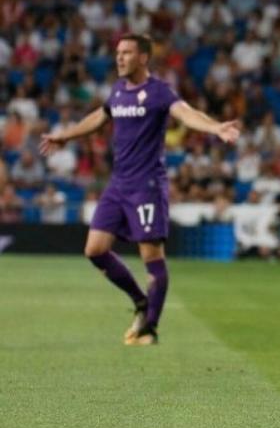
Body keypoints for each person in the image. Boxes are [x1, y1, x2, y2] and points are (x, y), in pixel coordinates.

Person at [39, 34, 240, 345]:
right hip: (118, 184)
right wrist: (66, 136)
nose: (119, 58)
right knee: (94, 250)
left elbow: (185, 113)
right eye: (118, 52)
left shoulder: (159, 92)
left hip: (146, 186)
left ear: (144, 58)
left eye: (127, 52)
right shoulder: (118, 90)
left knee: (151, 255)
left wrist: (215, 127)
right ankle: (140, 302)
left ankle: (150, 327)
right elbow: (100, 116)